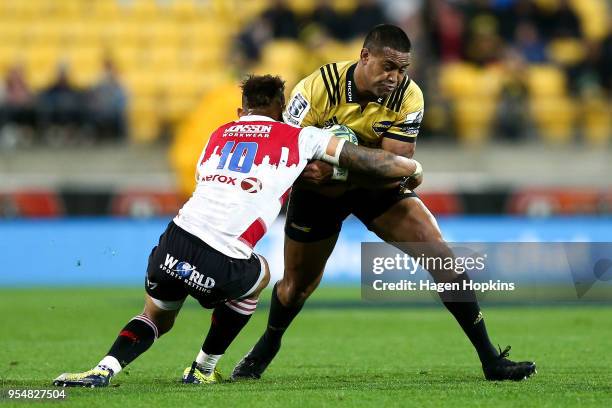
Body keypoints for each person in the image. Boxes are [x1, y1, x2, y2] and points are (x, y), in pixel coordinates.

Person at [52, 74, 422, 388]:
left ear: (241, 111)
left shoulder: (218, 133)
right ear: (283, 111)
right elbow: (371, 161)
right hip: (222, 258)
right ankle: (203, 368)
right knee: (262, 272)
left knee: (155, 316)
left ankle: (105, 368)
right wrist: (410, 167)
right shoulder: (298, 136)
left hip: (173, 242)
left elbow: (205, 178)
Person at [232, 25, 536, 382]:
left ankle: (490, 360)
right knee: (297, 285)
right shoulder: (315, 88)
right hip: (318, 196)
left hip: (369, 189)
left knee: (442, 257)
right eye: (388, 66)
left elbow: (394, 170)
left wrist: (339, 167)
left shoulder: (410, 97)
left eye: (402, 69)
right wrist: (364, 162)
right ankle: (268, 343)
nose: (395, 77)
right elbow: (294, 162)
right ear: (364, 57)